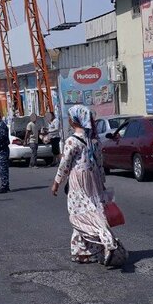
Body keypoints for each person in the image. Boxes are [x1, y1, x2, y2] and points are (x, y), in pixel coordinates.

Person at [50, 105, 127, 267]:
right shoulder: (94, 141)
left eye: (70, 117)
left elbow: (64, 165)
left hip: (79, 181)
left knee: (79, 215)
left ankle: (108, 240)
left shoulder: (72, 141)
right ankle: (82, 253)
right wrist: (102, 183)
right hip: (94, 179)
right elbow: (100, 164)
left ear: (74, 120)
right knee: (87, 212)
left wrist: (56, 183)